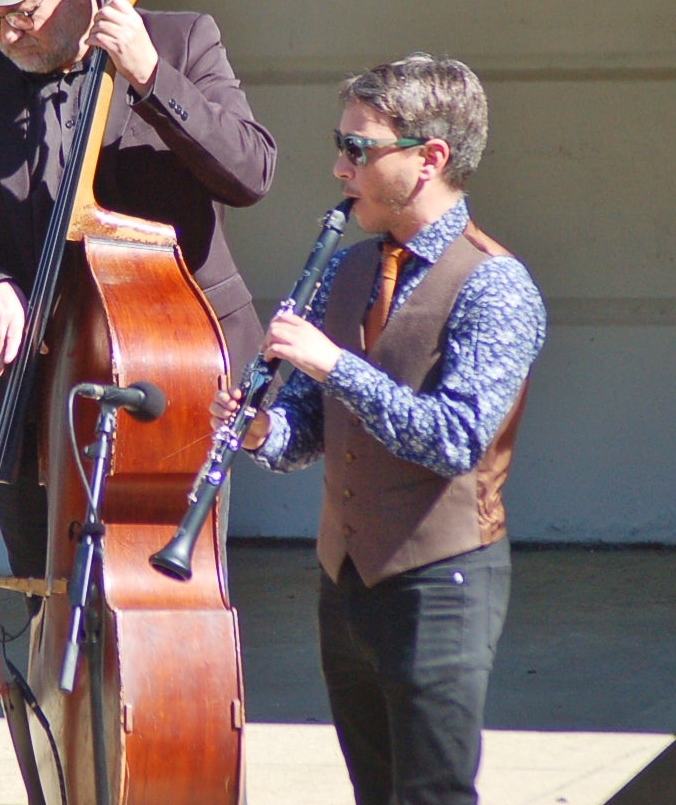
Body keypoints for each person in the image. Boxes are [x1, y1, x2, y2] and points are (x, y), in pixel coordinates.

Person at [213, 54, 547, 805]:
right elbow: (312, 428)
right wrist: (261, 430)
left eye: (358, 150)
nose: (339, 167)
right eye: (341, 144)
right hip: (346, 578)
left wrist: (334, 365)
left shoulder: (496, 284)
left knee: (431, 794)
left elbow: (454, 439)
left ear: (430, 158)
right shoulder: (348, 267)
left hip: (442, 580)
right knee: (377, 791)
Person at [0, 0, 277, 578]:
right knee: (46, 608)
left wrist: (150, 77)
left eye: (24, 11)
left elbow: (252, 173)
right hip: (41, 401)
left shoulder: (181, 42)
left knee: (163, 598)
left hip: (171, 379)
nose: (10, 33)